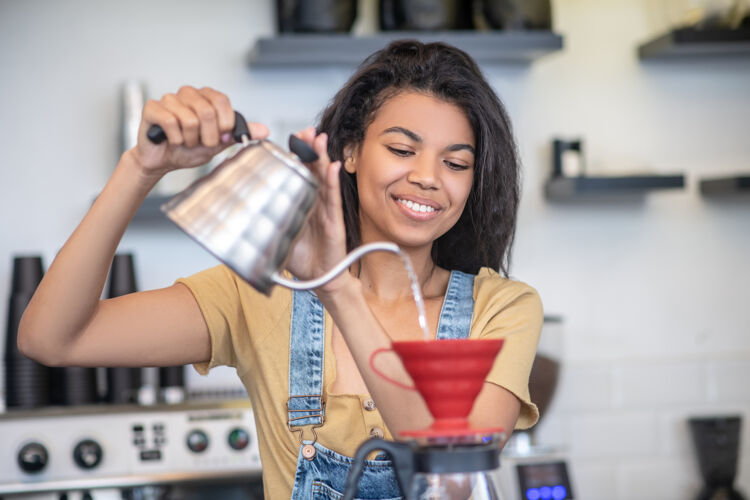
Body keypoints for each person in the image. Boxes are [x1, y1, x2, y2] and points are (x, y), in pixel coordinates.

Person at [19, 40, 542, 499]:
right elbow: (53, 338)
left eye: (456, 163)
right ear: (353, 152)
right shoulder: (262, 295)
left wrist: (338, 288)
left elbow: (451, 456)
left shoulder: (501, 309)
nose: (428, 177)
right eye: (403, 149)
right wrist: (140, 169)